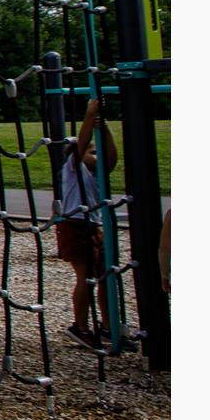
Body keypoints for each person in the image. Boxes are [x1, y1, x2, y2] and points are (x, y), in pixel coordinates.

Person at [54, 98, 115, 349]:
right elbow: (81, 143)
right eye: (92, 152)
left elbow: (112, 157)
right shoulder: (73, 169)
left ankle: (108, 326)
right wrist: (89, 115)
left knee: (106, 277)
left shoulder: (97, 174)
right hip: (74, 225)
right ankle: (79, 326)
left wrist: (105, 127)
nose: (96, 156)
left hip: (93, 225)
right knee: (86, 276)